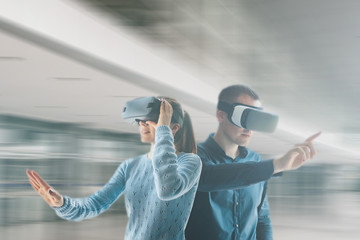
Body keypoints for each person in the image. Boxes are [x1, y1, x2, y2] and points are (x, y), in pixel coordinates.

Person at [26, 97, 202, 240]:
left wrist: (163, 129)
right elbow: (95, 205)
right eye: (140, 120)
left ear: (174, 128)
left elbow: (167, 189)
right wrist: (62, 204)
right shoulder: (130, 166)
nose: (142, 124)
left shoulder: (190, 162)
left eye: (152, 120)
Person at [185, 85, 321, 240]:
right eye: (244, 117)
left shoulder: (256, 161)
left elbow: (262, 219)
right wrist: (276, 165)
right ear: (221, 115)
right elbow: (208, 177)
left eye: (255, 119)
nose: (249, 128)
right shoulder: (194, 156)